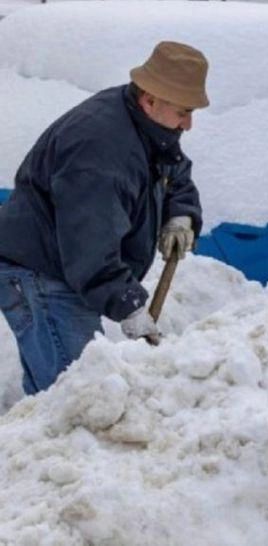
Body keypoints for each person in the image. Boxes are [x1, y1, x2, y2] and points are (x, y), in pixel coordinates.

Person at [0, 41, 209, 395]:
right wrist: (128, 304)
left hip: (68, 268)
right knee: (77, 398)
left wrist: (181, 215)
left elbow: (174, 169)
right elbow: (90, 246)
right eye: (183, 112)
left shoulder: (148, 124)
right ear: (150, 99)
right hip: (41, 273)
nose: (188, 124)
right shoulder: (99, 150)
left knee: (69, 394)